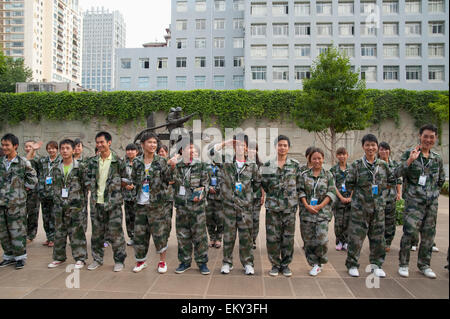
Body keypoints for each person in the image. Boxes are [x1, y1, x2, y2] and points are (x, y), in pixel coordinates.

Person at [397, 124, 446, 279]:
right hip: (413, 203)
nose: (428, 139)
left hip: (431, 204)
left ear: (435, 138)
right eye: (425, 136)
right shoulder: (410, 153)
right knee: (409, 233)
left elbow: (441, 179)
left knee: (428, 235)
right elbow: (396, 173)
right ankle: (403, 264)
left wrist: (434, 194)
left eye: (432, 137)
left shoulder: (436, 158)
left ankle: (424, 265)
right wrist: (410, 160)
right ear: (420, 136)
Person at [345, 134, 396, 278]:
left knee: (378, 239)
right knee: (356, 239)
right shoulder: (356, 165)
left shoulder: (383, 165)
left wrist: (382, 198)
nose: (370, 148)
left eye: (373, 145)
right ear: (363, 147)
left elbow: (391, 181)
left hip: (378, 210)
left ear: (377, 147)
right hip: (360, 210)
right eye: (367, 145)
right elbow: (349, 184)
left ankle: (376, 265)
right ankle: (352, 265)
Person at [211, 134, 261, 276]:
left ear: (246, 147)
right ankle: (227, 262)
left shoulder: (251, 165)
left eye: (243, 145)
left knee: (246, 237)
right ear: (234, 147)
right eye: (237, 145)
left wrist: (249, 199)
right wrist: (225, 143)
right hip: (229, 207)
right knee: (228, 236)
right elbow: (211, 153)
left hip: (245, 208)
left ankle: (248, 263)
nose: (240, 147)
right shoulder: (226, 162)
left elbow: (257, 184)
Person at [128, 133, 171, 274]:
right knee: (140, 234)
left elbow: (168, 179)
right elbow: (134, 179)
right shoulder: (136, 162)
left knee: (160, 234)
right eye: (150, 142)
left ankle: (162, 262)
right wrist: (131, 186)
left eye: (155, 142)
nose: (153, 145)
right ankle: (141, 261)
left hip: (157, 205)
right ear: (142, 144)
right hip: (140, 204)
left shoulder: (161, 161)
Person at [85, 132, 127, 272]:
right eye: (97, 142)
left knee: (116, 234)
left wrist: (119, 192)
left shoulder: (118, 161)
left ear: (109, 142)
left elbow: (126, 180)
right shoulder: (92, 162)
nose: (99, 145)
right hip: (97, 203)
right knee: (97, 234)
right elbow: (87, 178)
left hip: (113, 204)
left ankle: (119, 261)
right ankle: (97, 259)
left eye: (102, 142)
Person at [261, 135, 300, 277]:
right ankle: (275, 265)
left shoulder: (295, 165)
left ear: (288, 148)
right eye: (280, 145)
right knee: (272, 238)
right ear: (275, 147)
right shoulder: (267, 165)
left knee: (288, 237)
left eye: (285, 145)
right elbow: (264, 183)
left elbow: (299, 184)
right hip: (273, 208)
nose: (282, 147)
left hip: (289, 208)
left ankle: (285, 265)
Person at [169, 142, 210, 275]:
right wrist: (171, 166)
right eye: (189, 147)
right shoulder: (176, 165)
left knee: (200, 236)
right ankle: (185, 262)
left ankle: (202, 262)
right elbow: (168, 181)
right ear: (182, 150)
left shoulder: (201, 165)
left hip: (197, 208)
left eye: (193, 148)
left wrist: (201, 193)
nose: (192, 150)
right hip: (181, 207)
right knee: (182, 236)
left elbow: (206, 184)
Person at [47, 139, 88, 269]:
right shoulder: (55, 168)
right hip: (59, 205)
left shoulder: (80, 167)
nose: (64, 151)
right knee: (59, 232)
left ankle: (80, 258)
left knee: (77, 232)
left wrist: (79, 201)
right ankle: (59, 257)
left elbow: (85, 185)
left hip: (75, 206)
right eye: (62, 148)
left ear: (73, 150)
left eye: (67, 148)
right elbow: (51, 184)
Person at [0, 134, 38, 269]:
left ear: (15, 146)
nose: (4, 148)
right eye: (3, 145)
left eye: (7, 145)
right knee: (3, 232)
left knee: (17, 231)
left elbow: (33, 180)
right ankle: (8, 256)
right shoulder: (1, 162)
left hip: (17, 205)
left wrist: (21, 192)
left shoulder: (23, 162)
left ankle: (20, 257)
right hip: (1, 204)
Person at [299, 148, 336, 276]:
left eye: (319, 158)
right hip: (307, 213)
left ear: (323, 159)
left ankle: (321, 260)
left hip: (322, 213)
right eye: (314, 158)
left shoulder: (328, 175)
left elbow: (331, 192)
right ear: (310, 159)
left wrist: (320, 206)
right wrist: (306, 205)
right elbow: (301, 191)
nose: (317, 161)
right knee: (308, 241)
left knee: (322, 239)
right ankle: (314, 264)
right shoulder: (304, 175)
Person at [378, 142, 402, 252]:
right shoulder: (376, 164)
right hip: (379, 196)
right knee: (378, 220)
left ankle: (387, 242)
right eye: (381, 149)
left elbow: (398, 180)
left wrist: (399, 193)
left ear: (389, 150)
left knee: (390, 220)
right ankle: (379, 241)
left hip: (391, 195)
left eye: (386, 149)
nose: (384, 151)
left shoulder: (394, 164)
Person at [38, 141, 61, 248]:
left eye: (53, 148)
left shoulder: (61, 161)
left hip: (55, 194)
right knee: (46, 217)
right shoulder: (43, 161)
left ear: (57, 149)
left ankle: (54, 238)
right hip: (44, 193)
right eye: (49, 148)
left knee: (54, 217)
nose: (51, 150)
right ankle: (48, 237)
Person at [330, 147, 352, 251]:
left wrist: (350, 197)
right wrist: (341, 197)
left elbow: (355, 184)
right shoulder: (333, 170)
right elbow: (332, 186)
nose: (342, 156)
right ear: (337, 156)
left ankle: (346, 242)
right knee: (339, 223)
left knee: (348, 222)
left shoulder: (352, 169)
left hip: (350, 200)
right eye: (340, 154)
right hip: (338, 201)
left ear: (347, 155)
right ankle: (339, 241)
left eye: (344, 154)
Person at [24, 140, 42, 243]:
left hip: (34, 191)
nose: (28, 148)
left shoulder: (38, 160)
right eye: (26, 147)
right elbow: (26, 161)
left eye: (30, 146)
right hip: (23, 191)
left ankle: (31, 235)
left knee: (33, 214)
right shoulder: (22, 159)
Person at [248, 141, 265, 250]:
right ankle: (246, 240)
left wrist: (263, 196)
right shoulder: (242, 163)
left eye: (254, 149)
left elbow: (263, 183)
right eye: (250, 148)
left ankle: (253, 240)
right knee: (245, 219)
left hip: (256, 197)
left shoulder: (261, 165)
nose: (252, 151)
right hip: (244, 197)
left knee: (255, 219)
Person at [205, 152, 224, 250]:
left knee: (220, 219)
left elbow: (225, 180)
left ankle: (219, 239)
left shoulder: (223, 167)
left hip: (219, 197)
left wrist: (216, 188)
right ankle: (212, 238)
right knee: (209, 219)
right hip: (208, 197)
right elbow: (203, 180)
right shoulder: (206, 166)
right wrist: (208, 188)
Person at [158, 144, 175, 242]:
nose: (160, 153)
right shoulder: (156, 163)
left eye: (162, 151)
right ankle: (160, 239)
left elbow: (173, 179)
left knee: (167, 219)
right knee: (158, 219)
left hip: (168, 196)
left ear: (166, 152)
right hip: (157, 196)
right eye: (159, 152)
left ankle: (166, 237)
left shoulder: (172, 163)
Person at [123, 143, 139, 246]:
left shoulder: (140, 163)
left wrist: (135, 186)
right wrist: (124, 185)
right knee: (129, 218)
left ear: (137, 151)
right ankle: (132, 237)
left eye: (132, 150)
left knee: (138, 217)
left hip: (138, 195)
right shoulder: (123, 164)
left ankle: (139, 237)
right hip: (127, 195)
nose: (130, 152)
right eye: (128, 150)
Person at [73, 139, 89, 233]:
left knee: (82, 212)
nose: (77, 148)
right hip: (69, 192)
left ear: (82, 148)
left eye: (79, 146)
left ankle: (82, 233)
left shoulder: (86, 161)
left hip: (82, 192)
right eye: (75, 146)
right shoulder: (66, 160)